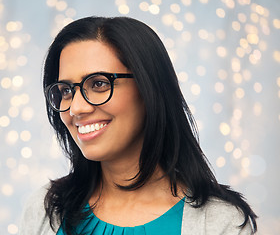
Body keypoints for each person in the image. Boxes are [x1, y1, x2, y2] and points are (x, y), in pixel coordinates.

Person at [20, 16, 257, 235]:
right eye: (66, 90)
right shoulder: (45, 208)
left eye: (100, 84)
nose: (77, 108)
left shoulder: (222, 223)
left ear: (148, 89)